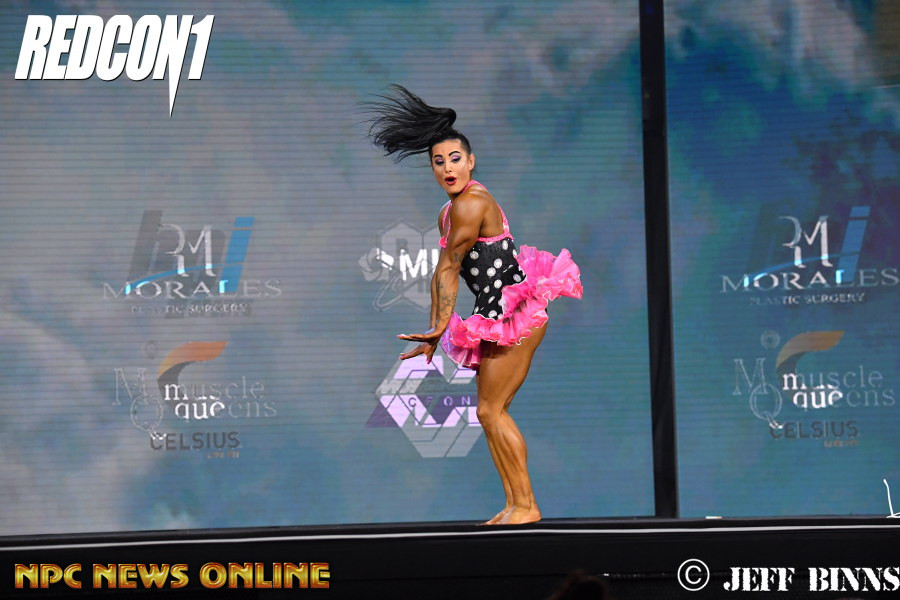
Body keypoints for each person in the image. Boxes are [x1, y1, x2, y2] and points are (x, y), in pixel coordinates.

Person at [365, 85, 583, 525]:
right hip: (495, 315)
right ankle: (515, 504)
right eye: (438, 161)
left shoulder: (472, 203)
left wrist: (438, 327)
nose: (447, 168)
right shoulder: (448, 212)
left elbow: (448, 269)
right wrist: (437, 328)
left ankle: (527, 505)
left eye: (455, 159)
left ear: (471, 161)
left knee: (490, 410)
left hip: (515, 314)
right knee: (488, 413)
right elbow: (443, 271)